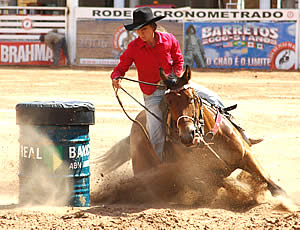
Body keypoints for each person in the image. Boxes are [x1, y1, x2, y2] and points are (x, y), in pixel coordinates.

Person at [111, 7, 262, 161]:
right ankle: (161, 165)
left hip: (176, 85)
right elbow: (122, 66)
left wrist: (174, 78)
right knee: (156, 133)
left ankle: (243, 135)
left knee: (213, 98)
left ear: (153, 27)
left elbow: (178, 60)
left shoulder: (168, 40)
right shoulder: (133, 47)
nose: (141, 33)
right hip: (153, 93)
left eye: (144, 29)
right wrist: (116, 76)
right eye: (138, 30)